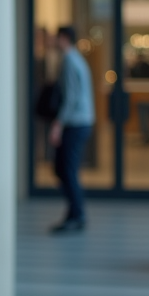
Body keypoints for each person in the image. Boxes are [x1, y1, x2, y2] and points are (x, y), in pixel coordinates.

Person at [50, 26, 95, 232]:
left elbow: (71, 97)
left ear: (65, 38)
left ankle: (77, 214)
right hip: (81, 121)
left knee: (66, 169)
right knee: (65, 169)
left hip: (75, 122)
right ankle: (74, 212)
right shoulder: (77, 59)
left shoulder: (69, 61)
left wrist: (58, 124)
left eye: (57, 37)